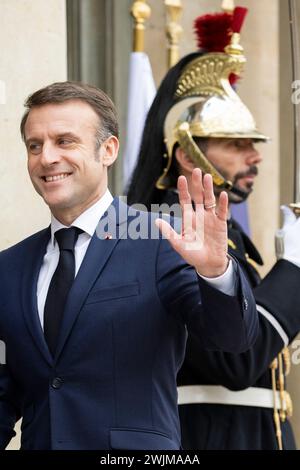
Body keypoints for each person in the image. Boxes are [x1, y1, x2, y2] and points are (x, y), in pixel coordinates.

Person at [0, 81, 258, 450]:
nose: (46, 157)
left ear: (108, 150)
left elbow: (232, 340)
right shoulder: (9, 268)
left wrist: (216, 273)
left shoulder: (160, 241)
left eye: (65, 141)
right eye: (34, 145)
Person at [127, 9, 300, 450]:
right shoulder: (166, 227)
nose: (255, 156)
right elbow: (236, 360)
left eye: (254, 144)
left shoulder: (221, 232)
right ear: (187, 154)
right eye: (237, 144)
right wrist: (294, 269)